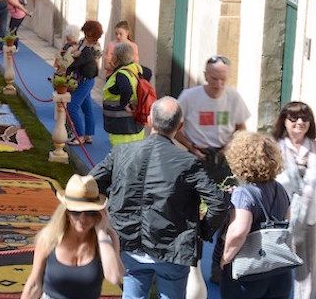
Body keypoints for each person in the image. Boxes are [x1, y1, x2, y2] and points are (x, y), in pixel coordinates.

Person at [90, 97, 227, 299]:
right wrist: (202, 231)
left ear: (149, 120)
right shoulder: (188, 162)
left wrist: (109, 207)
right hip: (169, 248)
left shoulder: (122, 152)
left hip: (131, 242)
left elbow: (90, 184)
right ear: (180, 126)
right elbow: (218, 203)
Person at [20, 175, 123, 299]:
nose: (82, 219)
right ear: (66, 212)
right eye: (76, 212)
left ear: (99, 214)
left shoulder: (108, 239)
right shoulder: (49, 237)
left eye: (90, 213)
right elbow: (34, 283)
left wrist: (101, 233)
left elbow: (114, 277)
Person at [220, 131, 292, 298]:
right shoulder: (280, 189)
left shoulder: (243, 193)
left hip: (250, 271)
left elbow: (239, 231)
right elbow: (287, 221)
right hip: (279, 269)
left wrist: (226, 258)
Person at [175, 55, 250, 184]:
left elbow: (241, 128)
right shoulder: (189, 97)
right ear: (205, 76)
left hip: (225, 155)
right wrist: (192, 148)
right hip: (197, 153)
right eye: (214, 79)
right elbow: (174, 129)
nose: (218, 84)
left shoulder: (233, 96)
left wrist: (229, 147)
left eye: (223, 79)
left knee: (227, 196)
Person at [272, 101, 316, 298]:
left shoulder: (315, 147)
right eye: (293, 118)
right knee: (276, 268)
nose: (299, 122)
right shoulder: (274, 148)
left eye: (304, 118)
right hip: (281, 218)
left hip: (312, 217)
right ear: (284, 120)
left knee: (308, 270)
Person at [65, 21, 103, 145]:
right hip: (79, 77)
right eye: (86, 33)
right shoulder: (82, 41)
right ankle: (88, 134)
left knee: (72, 106)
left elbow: (90, 63)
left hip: (86, 78)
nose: (87, 36)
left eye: (90, 34)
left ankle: (80, 135)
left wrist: (78, 55)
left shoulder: (96, 48)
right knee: (87, 107)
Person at [102, 42, 147, 146]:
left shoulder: (121, 74)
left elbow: (127, 90)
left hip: (121, 126)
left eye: (112, 55)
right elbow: (148, 72)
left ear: (117, 58)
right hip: (136, 125)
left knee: (121, 158)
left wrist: (124, 104)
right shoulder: (136, 68)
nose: (110, 57)